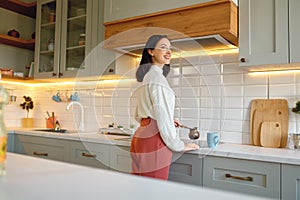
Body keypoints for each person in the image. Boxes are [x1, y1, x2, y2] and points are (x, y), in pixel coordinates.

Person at [130, 35, 199, 180]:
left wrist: (164, 119)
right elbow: (161, 117)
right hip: (154, 139)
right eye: (163, 47)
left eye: (169, 48)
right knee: (154, 192)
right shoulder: (157, 78)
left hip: (140, 137)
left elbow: (139, 114)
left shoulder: (148, 76)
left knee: (139, 190)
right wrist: (179, 145)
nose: (168, 51)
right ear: (150, 51)